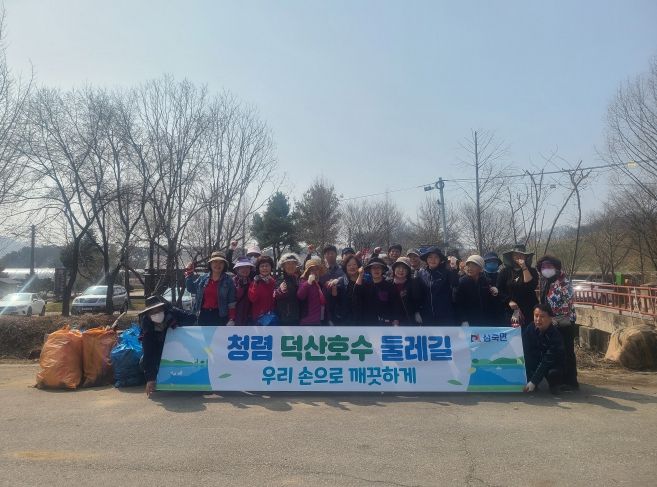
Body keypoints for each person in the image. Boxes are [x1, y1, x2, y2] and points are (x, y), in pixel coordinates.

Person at [140, 295, 197, 397]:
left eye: (158, 310)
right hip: (160, 353)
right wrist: (150, 379)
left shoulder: (173, 313)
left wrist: (176, 322)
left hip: (181, 350)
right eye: (152, 312)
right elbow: (148, 353)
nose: (156, 314)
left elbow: (192, 318)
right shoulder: (147, 328)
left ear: (163, 308)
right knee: (142, 362)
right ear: (148, 314)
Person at [536, 254, 578, 390]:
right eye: (543, 267)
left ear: (556, 267)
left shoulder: (563, 281)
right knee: (557, 352)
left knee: (567, 351)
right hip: (552, 322)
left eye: (549, 266)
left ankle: (571, 381)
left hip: (564, 322)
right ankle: (558, 380)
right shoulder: (546, 281)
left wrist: (552, 316)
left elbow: (566, 301)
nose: (546, 269)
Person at [523, 304, 566, 394]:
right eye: (536, 316)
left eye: (542, 316)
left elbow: (548, 360)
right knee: (525, 362)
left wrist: (534, 381)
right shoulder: (530, 328)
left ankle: (554, 385)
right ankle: (531, 382)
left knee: (553, 373)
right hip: (536, 360)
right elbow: (525, 350)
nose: (538, 319)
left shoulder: (556, 335)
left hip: (551, 363)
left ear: (550, 318)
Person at [185, 251, 236, 326]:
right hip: (203, 314)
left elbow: (231, 302)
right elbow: (191, 289)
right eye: (215, 262)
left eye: (221, 262)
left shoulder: (229, 280)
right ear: (210, 264)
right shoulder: (203, 278)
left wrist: (232, 318)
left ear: (224, 265)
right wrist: (189, 274)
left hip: (220, 316)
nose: (218, 265)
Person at [497, 244, 539, 327]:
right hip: (510, 309)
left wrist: (524, 267)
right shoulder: (504, 272)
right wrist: (509, 301)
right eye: (516, 254)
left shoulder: (532, 271)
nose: (518, 256)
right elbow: (500, 289)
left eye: (521, 255)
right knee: (513, 333)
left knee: (528, 332)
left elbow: (531, 286)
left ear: (526, 257)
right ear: (512, 257)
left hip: (529, 309)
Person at [454, 255, 503, 326]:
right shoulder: (461, 282)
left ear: (480, 268)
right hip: (469, 321)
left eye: (473, 266)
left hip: (486, 321)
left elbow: (491, 302)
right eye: (468, 265)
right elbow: (458, 303)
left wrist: (495, 293)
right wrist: (463, 319)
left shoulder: (486, 281)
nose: (470, 268)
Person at [416, 246, 459, 325]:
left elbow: (455, 283)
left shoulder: (447, 273)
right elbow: (418, 295)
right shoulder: (421, 273)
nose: (433, 260)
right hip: (427, 316)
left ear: (440, 259)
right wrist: (417, 311)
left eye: (436, 257)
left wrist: (454, 269)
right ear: (426, 259)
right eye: (430, 257)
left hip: (446, 316)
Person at [355, 256, 395, 323]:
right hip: (368, 322)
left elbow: (394, 304)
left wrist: (395, 319)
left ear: (382, 270)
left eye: (378, 267)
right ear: (370, 270)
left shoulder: (389, 286)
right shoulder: (366, 285)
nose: (376, 270)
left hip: (385, 322)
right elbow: (356, 293)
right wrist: (360, 274)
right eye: (373, 268)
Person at [389, 257, 423, 325]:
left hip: (409, 321)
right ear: (394, 269)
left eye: (404, 268)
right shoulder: (388, 283)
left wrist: (417, 312)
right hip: (391, 321)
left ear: (408, 271)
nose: (401, 270)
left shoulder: (414, 283)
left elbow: (418, 301)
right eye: (398, 267)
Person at [331, 254, 361, 324]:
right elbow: (336, 302)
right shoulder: (340, 282)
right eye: (349, 265)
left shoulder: (364, 281)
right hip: (345, 321)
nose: (352, 267)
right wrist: (334, 290)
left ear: (358, 266)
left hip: (362, 321)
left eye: (354, 264)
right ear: (345, 267)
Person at [297, 257, 326, 325]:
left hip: (318, 320)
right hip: (307, 321)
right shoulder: (303, 282)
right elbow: (300, 296)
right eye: (312, 270)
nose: (315, 272)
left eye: (316, 269)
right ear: (307, 272)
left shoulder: (319, 284)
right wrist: (308, 283)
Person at [274, 253, 301, 325]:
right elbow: (275, 296)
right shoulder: (280, 280)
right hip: (285, 318)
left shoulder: (297, 279)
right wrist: (280, 291)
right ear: (283, 266)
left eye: (293, 263)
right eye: (288, 263)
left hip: (297, 316)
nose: (291, 266)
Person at [248, 255, 276, 323]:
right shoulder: (255, 282)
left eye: (267, 266)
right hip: (258, 317)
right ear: (258, 268)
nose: (264, 268)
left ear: (271, 267)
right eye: (262, 266)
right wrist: (256, 284)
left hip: (271, 316)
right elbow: (252, 298)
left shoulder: (273, 281)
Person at [232, 257, 254, 325]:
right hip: (235, 316)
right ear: (237, 269)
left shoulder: (252, 282)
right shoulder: (232, 282)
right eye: (242, 267)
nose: (245, 269)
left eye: (247, 267)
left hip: (249, 316)